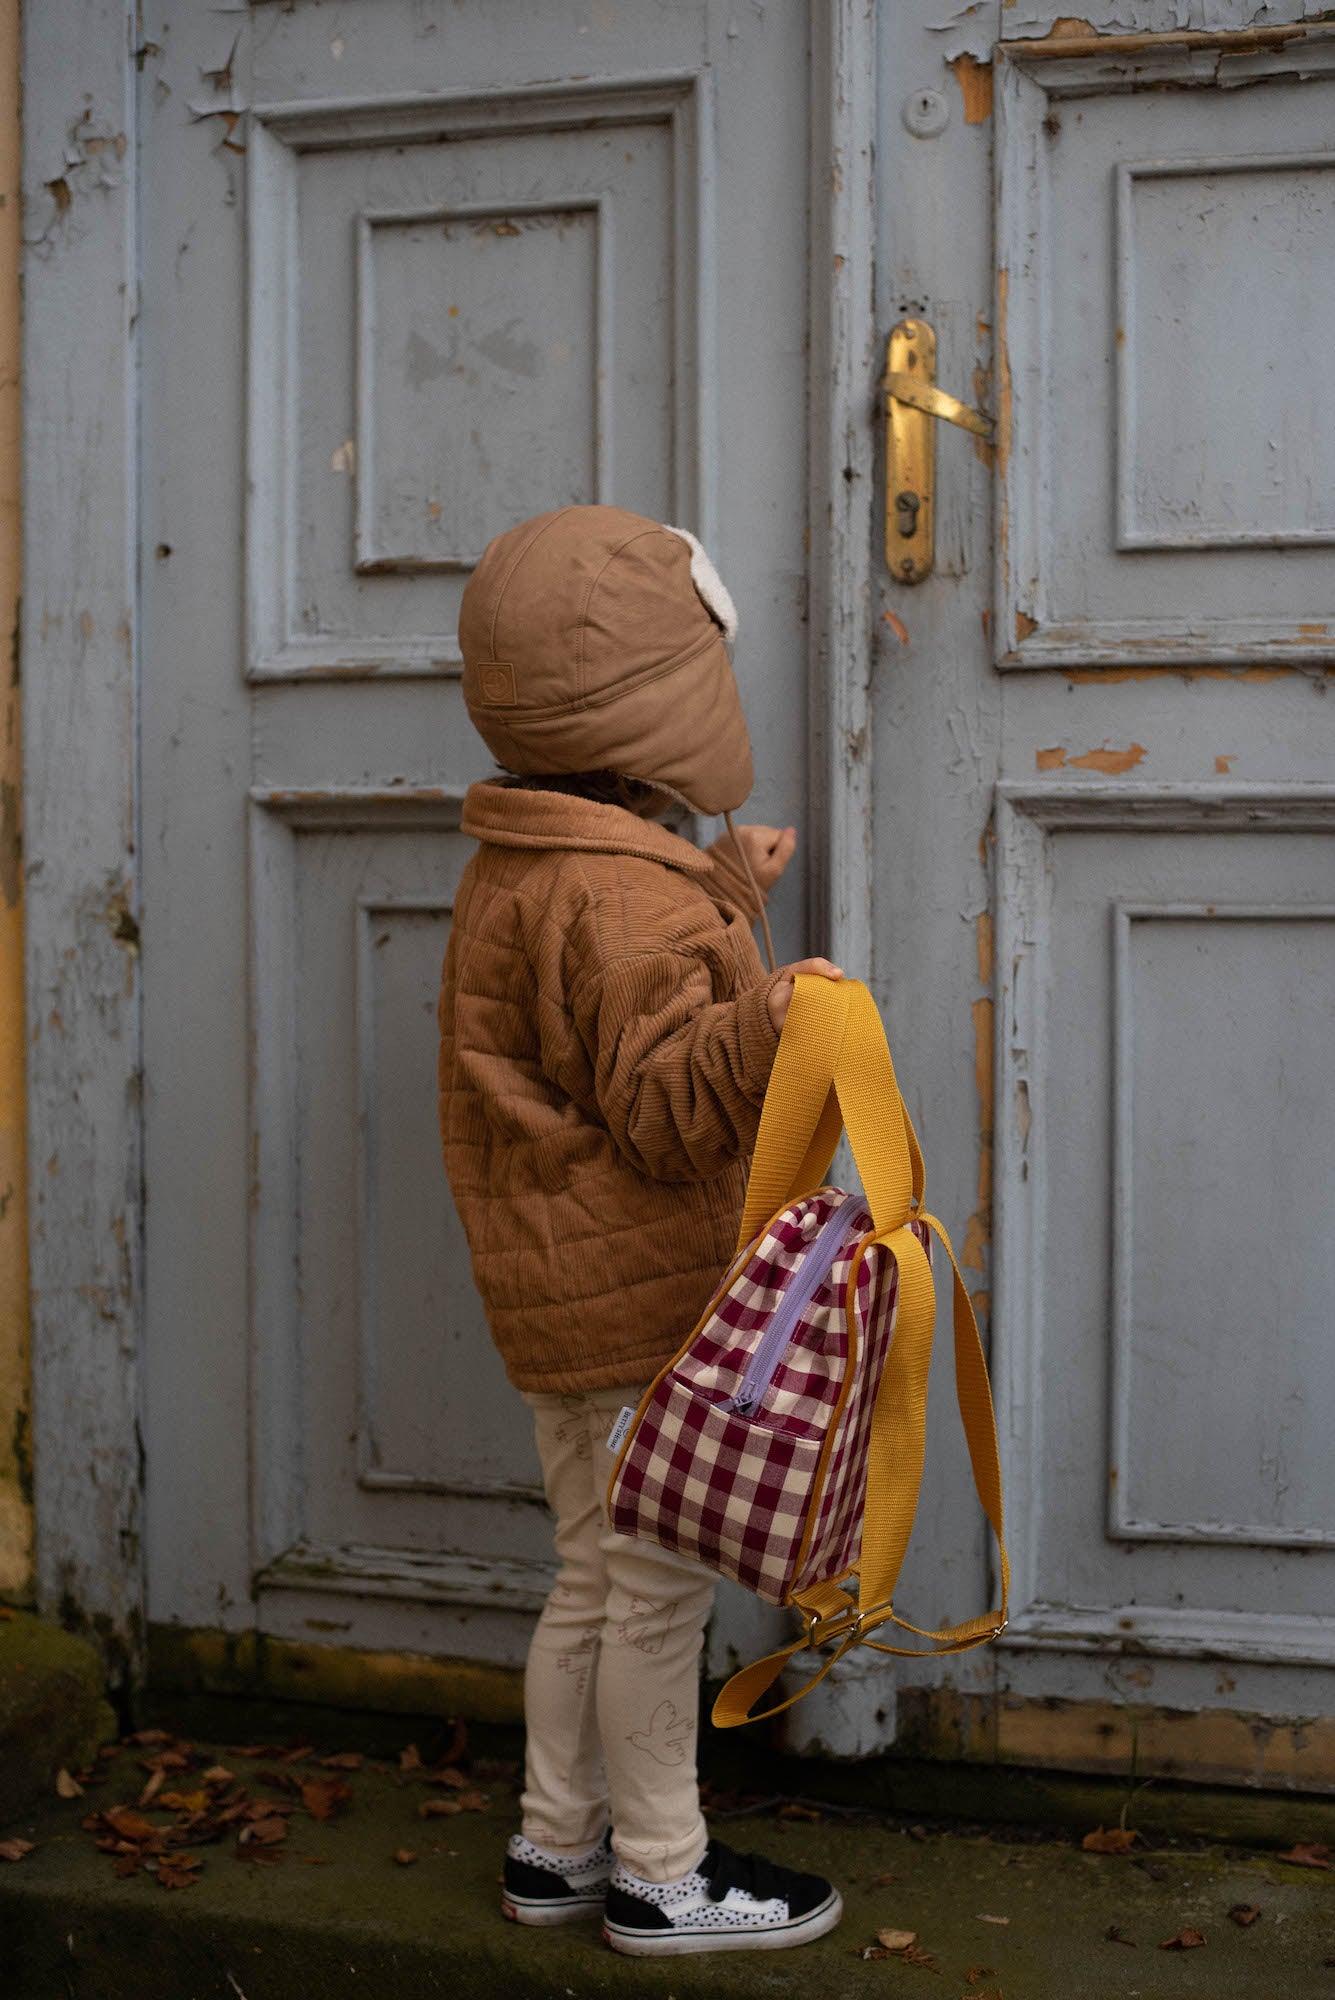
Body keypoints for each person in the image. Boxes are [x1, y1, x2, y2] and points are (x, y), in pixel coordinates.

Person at [437, 504, 845, 1956]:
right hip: (637, 1315)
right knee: (655, 1598)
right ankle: (662, 1874)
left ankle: (554, 1845)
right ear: (669, 699)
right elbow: (668, 1106)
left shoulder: (534, 864)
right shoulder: (619, 899)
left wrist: (718, 903)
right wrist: (772, 1014)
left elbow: (594, 1010)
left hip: (559, 1307)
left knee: (593, 1577)